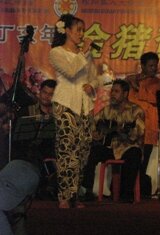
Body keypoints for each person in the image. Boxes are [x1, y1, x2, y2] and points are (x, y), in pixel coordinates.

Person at [48, 14, 99, 209]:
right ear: (67, 30)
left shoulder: (85, 54)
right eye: (78, 30)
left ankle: (74, 195)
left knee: (83, 152)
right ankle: (64, 196)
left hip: (85, 106)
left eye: (82, 30)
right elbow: (70, 71)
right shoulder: (56, 52)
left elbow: (94, 77)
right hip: (65, 104)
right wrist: (84, 51)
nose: (81, 34)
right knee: (67, 151)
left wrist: (92, 87)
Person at [81, 79, 145, 202]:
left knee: (134, 154)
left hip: (128, 146)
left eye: (116, 91)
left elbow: (139, 132)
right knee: (91, 152)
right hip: (111, 147)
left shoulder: (136, 110)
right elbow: (92, 122)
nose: (112, 94)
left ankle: (126, 194)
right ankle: (86, 190)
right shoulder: (107, 110)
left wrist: (125, 132)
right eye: (112, 91)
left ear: (125, 94)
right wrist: (95, 133)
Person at [125, 52, 160, 197]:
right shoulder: (131, 80)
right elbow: (127, 100)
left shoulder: (159, 83)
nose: (153, 68)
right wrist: (130, 83)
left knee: (144, 160)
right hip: (133, 126)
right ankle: (128, 190)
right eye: (150, 65)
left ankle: (139, 191)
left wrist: (137, 87)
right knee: (130, 158)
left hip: (149, 125)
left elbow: (154, 99)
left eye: (155, 65)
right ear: (142, 66)